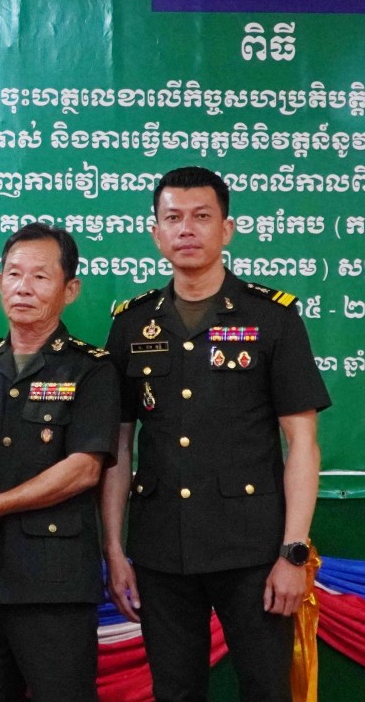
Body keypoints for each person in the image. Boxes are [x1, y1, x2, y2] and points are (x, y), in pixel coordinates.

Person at [101, 166, 330, 702]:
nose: (186, 229)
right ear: (156, 233)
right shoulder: (131, 323)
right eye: (173, 218)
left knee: (265, 690)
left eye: (201, 217)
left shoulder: (272, 317)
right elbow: (118, 446)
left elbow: (302, 444)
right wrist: (114, 549)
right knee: (175, 692)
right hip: (160, 549)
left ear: (227, 229)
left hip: (253, 551)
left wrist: (293, 553)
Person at [0, 223, 118, 702]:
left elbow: (85, 468)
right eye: (13, 274)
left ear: (70, 290)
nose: (23, 287)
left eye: (40, 276)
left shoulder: (92, 370)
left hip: (53, 584)